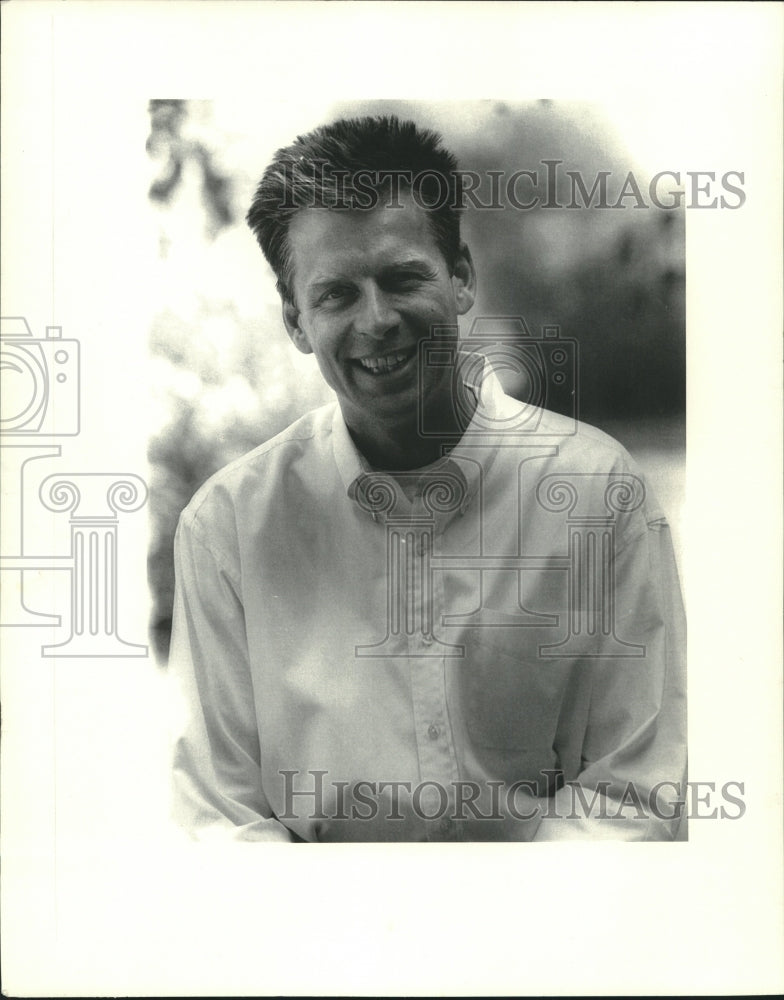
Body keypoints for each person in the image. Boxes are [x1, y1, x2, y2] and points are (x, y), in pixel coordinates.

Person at [169, 115, 687, 842]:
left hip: (548, 941)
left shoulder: (601, 496)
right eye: (336, 295)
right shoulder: (225, 528)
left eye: (402, 277)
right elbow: (220, 819)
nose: (376, 320)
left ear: (462, 276)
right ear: (294, 319)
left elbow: (638, 793)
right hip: (320, 943)